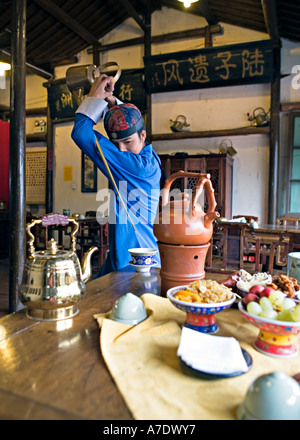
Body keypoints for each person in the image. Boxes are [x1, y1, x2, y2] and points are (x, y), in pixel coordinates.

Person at [71, 74, 162, 276]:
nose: (121, 150)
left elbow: (81, 133)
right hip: (134, 251)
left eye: (127, 142)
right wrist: (113, 103)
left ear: (143, 136)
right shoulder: (151, 158)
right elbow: (131, 124)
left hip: (134, 259)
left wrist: (94, 98)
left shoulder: (136, 167)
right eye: (115, 144)